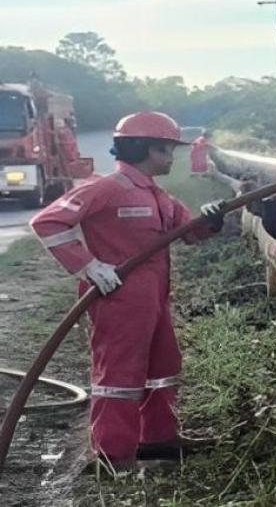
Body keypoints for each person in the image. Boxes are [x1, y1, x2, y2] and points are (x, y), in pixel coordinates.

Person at [29, 111, 224, 468]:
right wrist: (88, 265)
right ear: (147, 149)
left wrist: (211, 220)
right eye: (167, 150)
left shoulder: (159, 196)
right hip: (118, 299)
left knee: (163, 366)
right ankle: (111, 453)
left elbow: (190, 233)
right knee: (121, 374)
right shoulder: (105, 188)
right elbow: (46, 222)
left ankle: (157, 438)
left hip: (155, 297)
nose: (171, 157)